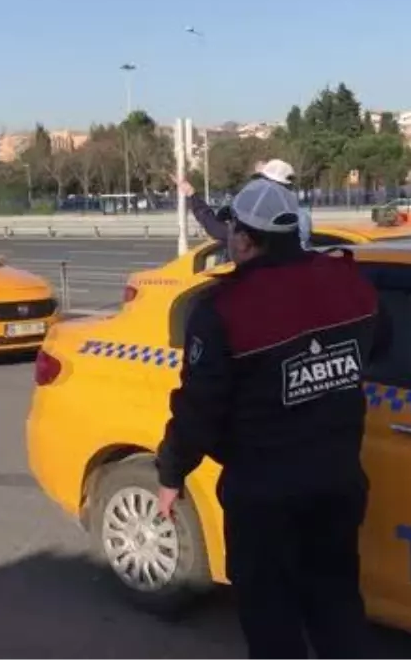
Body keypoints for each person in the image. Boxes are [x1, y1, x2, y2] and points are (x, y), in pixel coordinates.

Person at [155, 176, 380, 660]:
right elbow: (382, 347)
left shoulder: (223, 309)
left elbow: (199, 407)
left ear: (242, 237)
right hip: (337, 481)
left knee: (270, 614)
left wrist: (171, 473)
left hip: (263, 495)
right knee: (337, 603)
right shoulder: (349, 282)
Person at [176, 158, 313, 250]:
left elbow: (216, 228)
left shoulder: (253, 218)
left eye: (261, 179)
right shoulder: (301, 215)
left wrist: (192, 195)